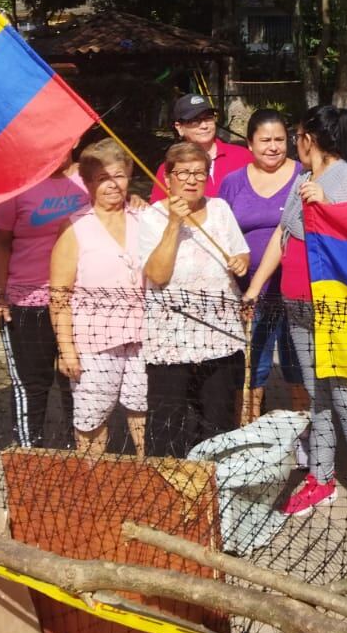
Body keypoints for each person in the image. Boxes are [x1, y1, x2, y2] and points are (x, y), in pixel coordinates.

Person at [247, 106, 347, 536]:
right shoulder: (302, 180)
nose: (293, 143)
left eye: (298, 135)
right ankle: (321, 478)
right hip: (296, 306)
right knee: (317, 395)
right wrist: (256, 286)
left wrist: (327, 208)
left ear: (312, 137)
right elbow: (282, 235)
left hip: (337, 309)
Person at [138, 141, 250, 458]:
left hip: (219, 337)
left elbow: (239, 250)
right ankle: (167, 496)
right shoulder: (152, 217)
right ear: (168, 177)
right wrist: (174, 224)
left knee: (217, 423)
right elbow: (157, 275)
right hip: (171, 340)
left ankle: (213, 493)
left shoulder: (220, 209)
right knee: (167, 424)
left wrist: (241, 261)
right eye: (183, 172)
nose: (191, 179)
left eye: (199, 173)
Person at [0, 153, 87, 447]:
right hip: (26, 303)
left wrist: (137, 201)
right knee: (32, 386)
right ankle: (31, 461)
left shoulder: (90, 177)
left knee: (76, 383)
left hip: (76, 303)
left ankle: (79, 455)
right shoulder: (17, 184)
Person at [50, 141, 146, 457]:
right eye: (101, 178)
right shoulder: (75, 226)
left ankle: (149, 477)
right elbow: (59, 297)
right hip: (93, 341)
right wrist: (66, 350)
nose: (111, 185)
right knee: (92, 418)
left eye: (118, 175)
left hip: (143, 337)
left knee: (143, 411)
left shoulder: (144, 218)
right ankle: (93, 486)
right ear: (89, 183)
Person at [218, 109, 304, 422]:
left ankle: (305, 440)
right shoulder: (233, 182)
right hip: (251, 295)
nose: (273, 146)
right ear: (250, 145)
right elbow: (221, 229)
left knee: (299, 370)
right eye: (265, 140)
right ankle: (251, 430)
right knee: (253, 371)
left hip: (296, 293)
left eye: (279, 139)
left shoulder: (304, 177)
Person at [151, 92, 252, 202]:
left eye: (208, 118)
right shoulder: (170, 167)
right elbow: (158, 212)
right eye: (195, 121)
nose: (204, 126)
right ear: (179, 127)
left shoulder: (243, 156)